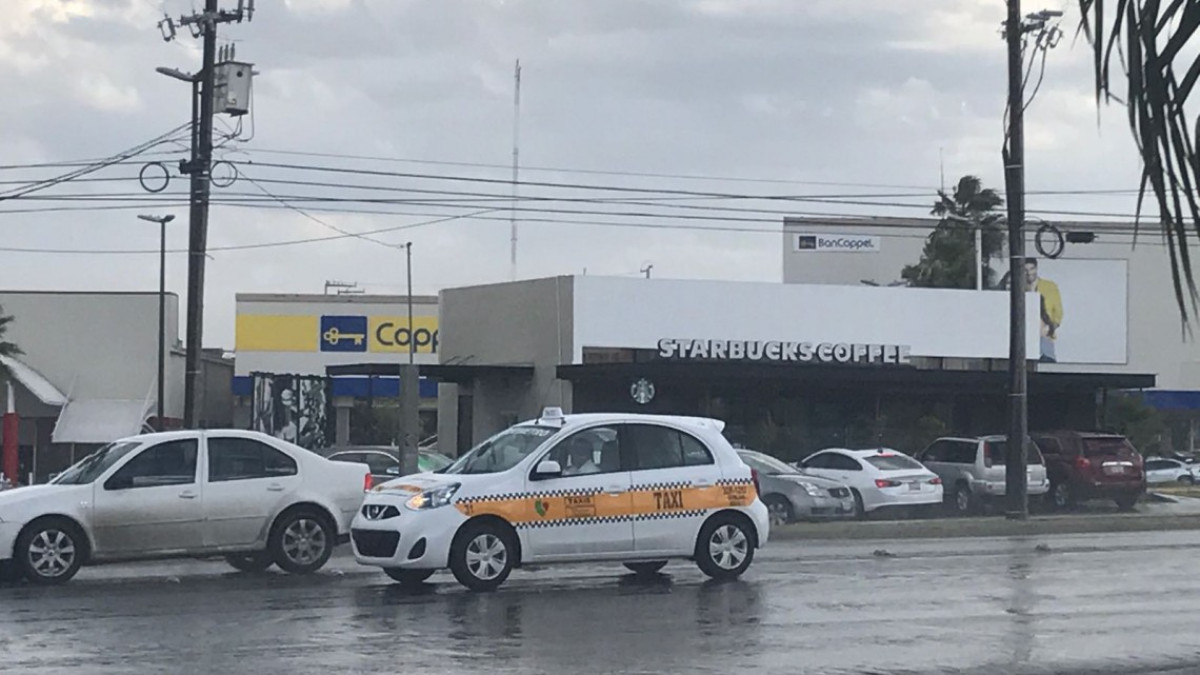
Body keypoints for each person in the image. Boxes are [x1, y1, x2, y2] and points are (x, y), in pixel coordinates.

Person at [1025, 258, 1063, 362]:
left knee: (1047, 361)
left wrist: (1052, 327)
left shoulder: (1050, 286)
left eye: (1031, 269)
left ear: (1036, 269)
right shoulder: (1020, 286)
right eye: (1026, 270)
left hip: (1044, 332)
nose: (1029, 273)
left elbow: (1058, 309)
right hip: (1025, 335)